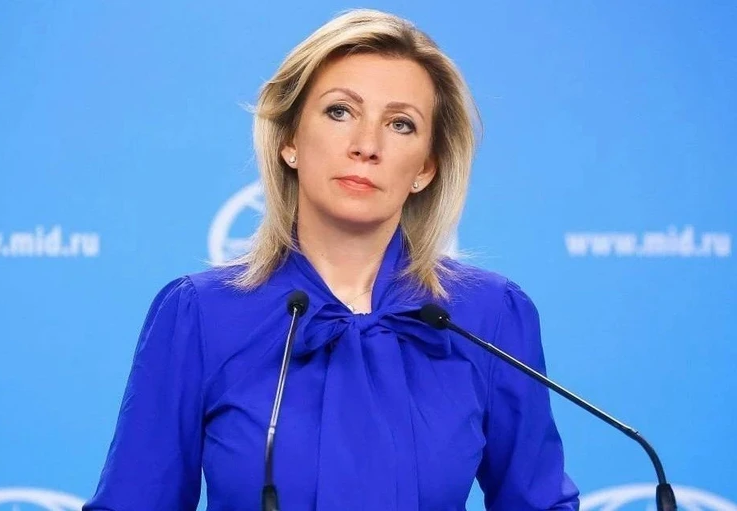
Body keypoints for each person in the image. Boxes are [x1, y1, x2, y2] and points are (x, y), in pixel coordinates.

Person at [83, 8, 579, 511]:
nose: (367, 146)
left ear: (426, 168)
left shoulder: (490, 315)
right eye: (340, 112)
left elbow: (538, 501)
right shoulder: (200, 315)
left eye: (400, 124)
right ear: (289, 141)